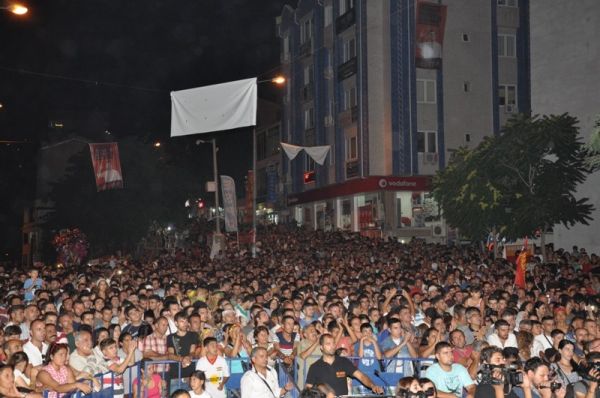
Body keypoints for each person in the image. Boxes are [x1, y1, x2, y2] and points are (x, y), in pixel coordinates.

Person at [305, 333, 384, 396]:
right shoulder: (315, 367)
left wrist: (373, 386)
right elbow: (308, 390)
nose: (332, 346)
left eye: (333, 343)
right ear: (321, 347)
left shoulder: (344, 362)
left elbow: (361, 376)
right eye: (328, 344)